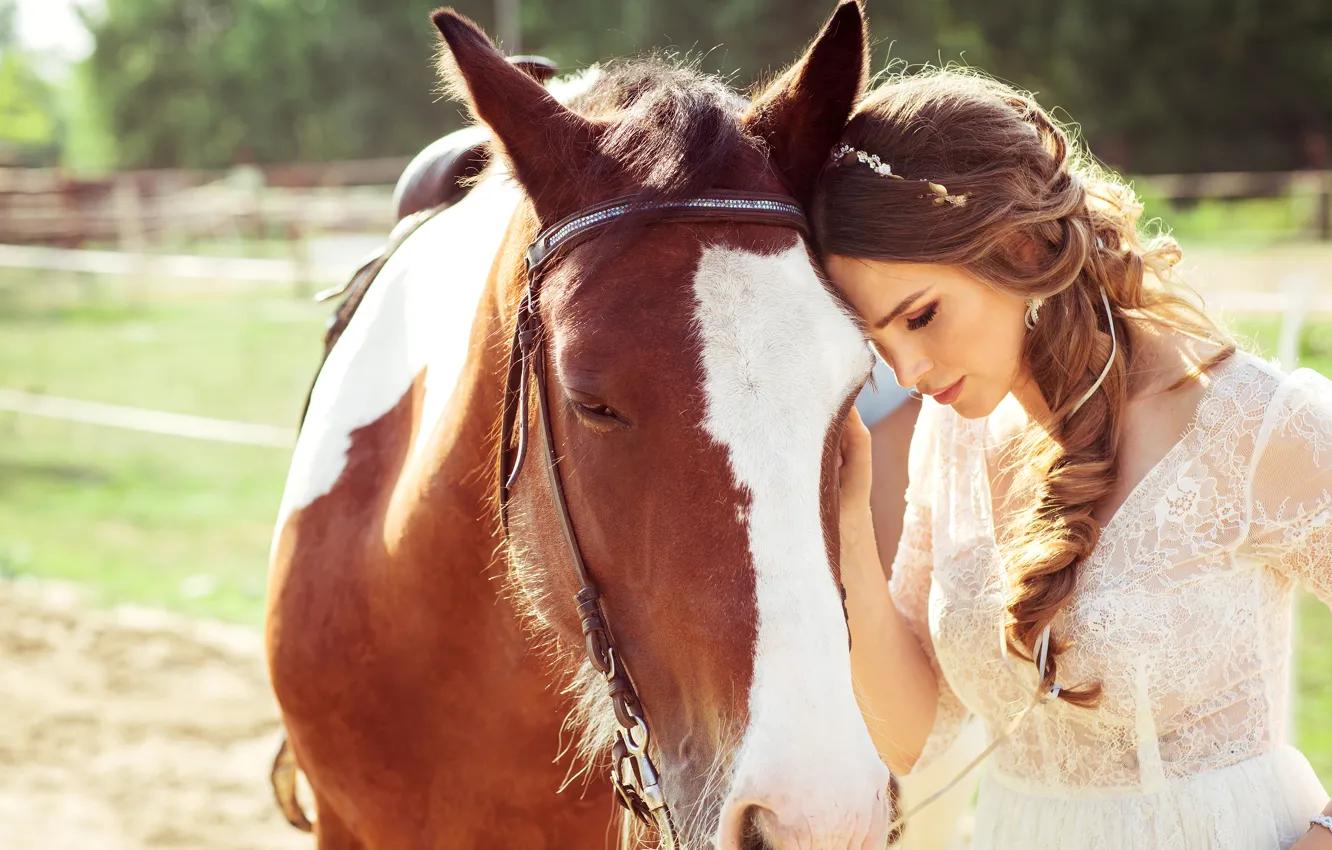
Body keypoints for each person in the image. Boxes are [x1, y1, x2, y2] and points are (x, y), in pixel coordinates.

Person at [817, 69, 1332, 849]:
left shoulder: (1252, 425)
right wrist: (849, 524)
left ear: (1018, 245)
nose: (909, 374)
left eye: (921, 316)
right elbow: (912, 736)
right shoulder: (951, 436)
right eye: (880, 344)